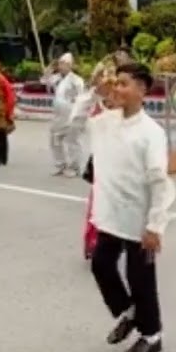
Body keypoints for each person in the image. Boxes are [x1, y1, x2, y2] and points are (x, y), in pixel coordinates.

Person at [86, 62, 176, 352]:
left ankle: (152, 336)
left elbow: (159, 181)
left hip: (140, 216)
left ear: (142, 89)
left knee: (141, 279)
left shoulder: (151, 132)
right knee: (101, 264)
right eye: (117, 83)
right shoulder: (108, 121)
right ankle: (129, 312)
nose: (118, 89)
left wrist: (155, 225)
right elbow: (76, 121)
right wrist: (94, 91)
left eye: (124, 84)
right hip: (112, 213)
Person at [76, 47, 135, 259]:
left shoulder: (130, 103)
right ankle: (95, 242)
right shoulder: (97, 107)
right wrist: (94, 92)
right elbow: (77, 119)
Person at [46, 53, 86, 176]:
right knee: (54, 140)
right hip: (58, 115)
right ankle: (60, 164)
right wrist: (47, 72)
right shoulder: (56, 78)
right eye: (60, 63)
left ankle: (74, 167)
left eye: (64, 64)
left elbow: (82, 96)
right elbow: (46, 82)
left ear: (70, 65)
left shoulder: (76, 80)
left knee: (72, 141)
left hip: (72, 114)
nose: (61, 66)